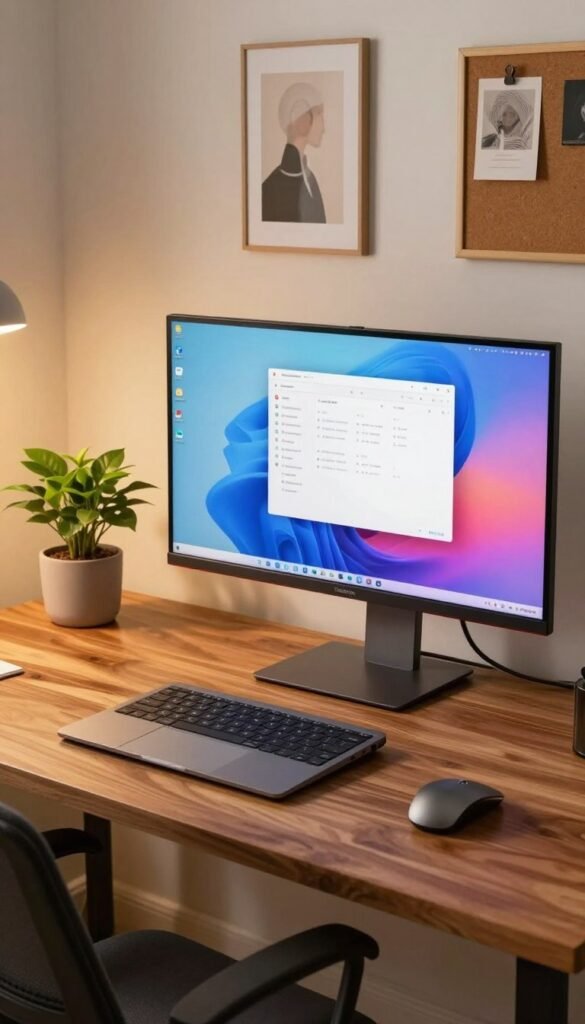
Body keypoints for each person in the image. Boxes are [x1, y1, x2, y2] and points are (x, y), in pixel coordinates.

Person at [262, 82, 326, 223]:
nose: (324, 128)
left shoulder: (310, 180)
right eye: (320, 114)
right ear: (303, 119)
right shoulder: (269, 189)